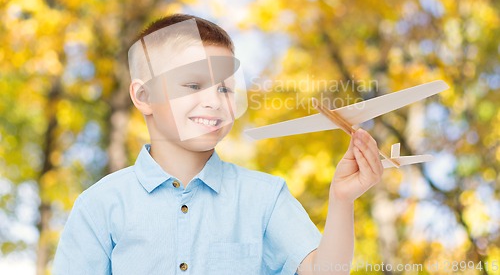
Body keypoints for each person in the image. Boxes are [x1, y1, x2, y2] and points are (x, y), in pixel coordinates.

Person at [52, 14, 384, 275]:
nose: (214, 101)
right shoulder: (100, 204)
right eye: (194, 85)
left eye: (225, 89)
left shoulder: (264, 197)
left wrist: (342, 199)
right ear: (144, 96)